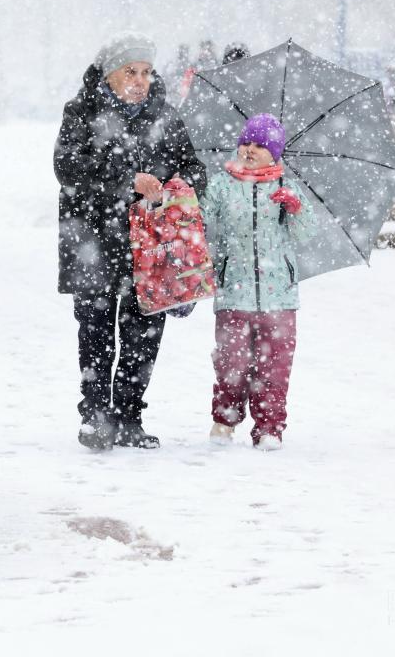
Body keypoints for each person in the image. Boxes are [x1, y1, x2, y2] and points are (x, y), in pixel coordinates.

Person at [54, 33, 207, 451]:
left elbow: (196, 171)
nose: (140, 80)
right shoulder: (82, 112)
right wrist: (126, 182)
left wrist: (174, 185)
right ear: (110, 75)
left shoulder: (166, 117)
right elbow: (67, 167)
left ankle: (128, 417)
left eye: (145, 71)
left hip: (151, 249)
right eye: (130, 72)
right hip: (93, 240)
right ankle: (96, 417)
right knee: (96, 330)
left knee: (144, 333)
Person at [200, 114, 317, 450]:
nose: (249, 149)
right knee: (231, 360)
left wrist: (296, 210)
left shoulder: (285, 187)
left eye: (260, 144)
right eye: (246, 142)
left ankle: (269, 428)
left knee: (274, 365)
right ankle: (224, 419)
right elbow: (204, 223)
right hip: (233, 288)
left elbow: (306, 235)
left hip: (278, 294)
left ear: (275, 152)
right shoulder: (221, 184)